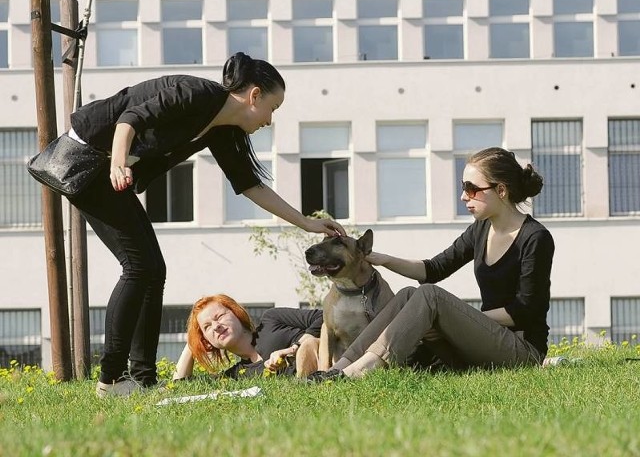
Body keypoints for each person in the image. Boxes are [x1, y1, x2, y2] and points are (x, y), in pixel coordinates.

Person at [58, 52, 344, 397]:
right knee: (138, 266)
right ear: (254, 96)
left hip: (107, 170)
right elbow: (130, 118)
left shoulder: (221, 129)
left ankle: (143, 379)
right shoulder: (195, 94)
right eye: (273, 107)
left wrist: (304, 223)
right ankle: (110, 381)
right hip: (87, 159)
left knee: (152, 269)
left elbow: (250, 185)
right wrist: (118, 162)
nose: (270, 119)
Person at [309, 147, 555, 381]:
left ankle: (364, 368)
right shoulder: (481, 229)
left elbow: (524, 310)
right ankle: (337, 369)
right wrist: (384, 260)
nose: (463, 196)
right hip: (481, 347)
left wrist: (457, 320)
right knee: (408, 294)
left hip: (521, 351)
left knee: (430, 296)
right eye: (463, 187)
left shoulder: (535, 238)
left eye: (471, 189)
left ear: (501, 191)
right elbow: (433, 270)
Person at [172, 294, 323, 380]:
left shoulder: (271, 319)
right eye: (207, 327)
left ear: (236, 313)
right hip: (314, 387)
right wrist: (193, 344)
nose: (216, 326)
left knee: (310, 344)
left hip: (332, 361)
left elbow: (325, 316)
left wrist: (294, 348)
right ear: (207, 341)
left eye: (219, 317)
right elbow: (180, 383)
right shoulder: (236, 376)